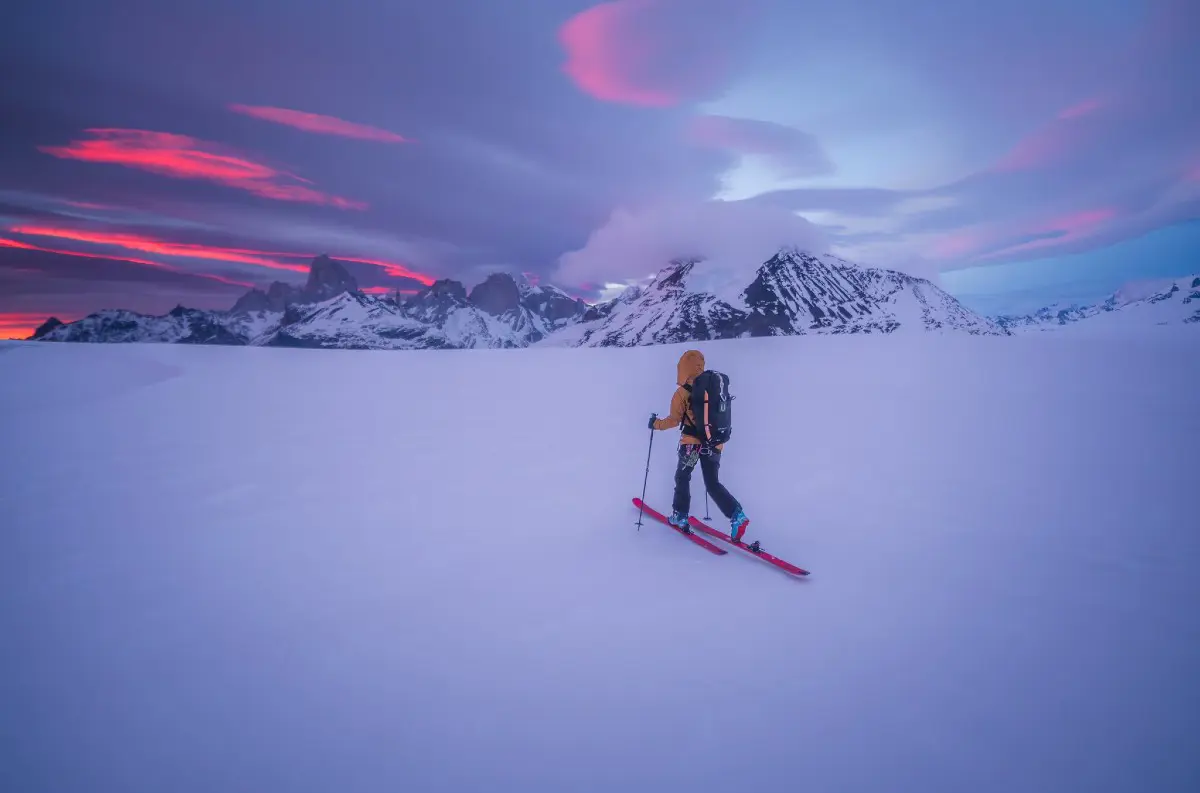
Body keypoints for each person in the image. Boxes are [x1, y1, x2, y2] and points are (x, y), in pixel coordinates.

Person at [648, 349, 749, 541]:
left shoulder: (682, 392)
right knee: (712, 483)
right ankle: (737, 515)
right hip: (714, 443)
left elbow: (673, 421)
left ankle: (679, 515)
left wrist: (655, 424)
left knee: (683, 477)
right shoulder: (712, 388)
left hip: (691, 445)